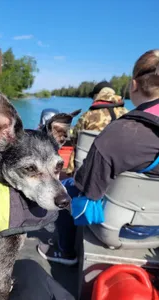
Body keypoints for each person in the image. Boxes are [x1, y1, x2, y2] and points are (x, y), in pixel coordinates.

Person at [38, 49, 159, 265]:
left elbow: (87, 188)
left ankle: (65, 251)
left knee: (65, 190)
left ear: (133, 85)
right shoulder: (126, 123)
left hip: (118, 229)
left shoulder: (120, 132)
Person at [66, 81, 128, 174]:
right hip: (120, 170)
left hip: (89, 169)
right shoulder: (128, 114)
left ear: (97, 96)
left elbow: (74, 140)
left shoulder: (87, 116)